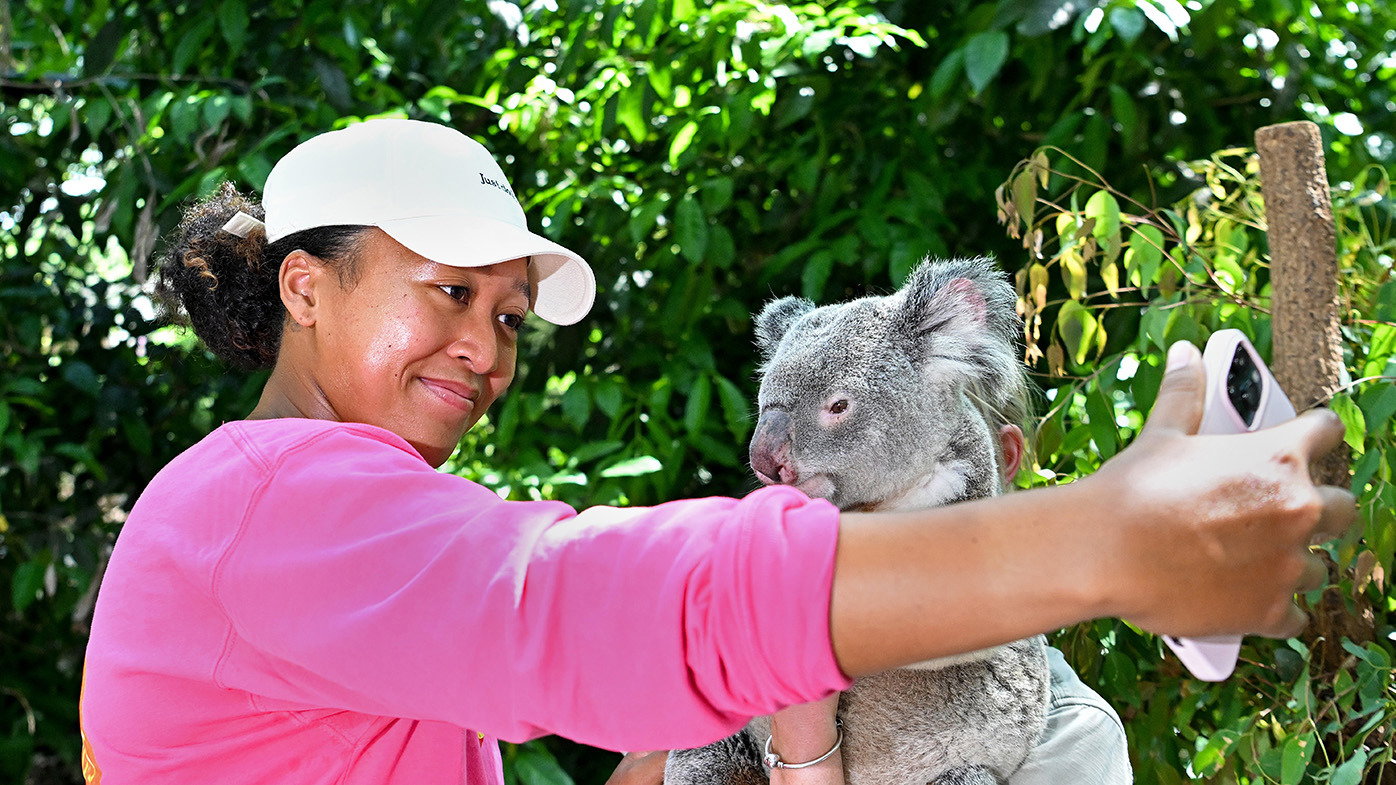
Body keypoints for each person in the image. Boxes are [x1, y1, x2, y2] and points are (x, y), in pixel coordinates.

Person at [80, 119, 1354, 785]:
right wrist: (1098, 541)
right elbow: (599, 596)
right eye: (449, 289)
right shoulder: (269, 502)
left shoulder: (308, 527)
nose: (486, 346)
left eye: (508, 314)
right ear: (306, 286)